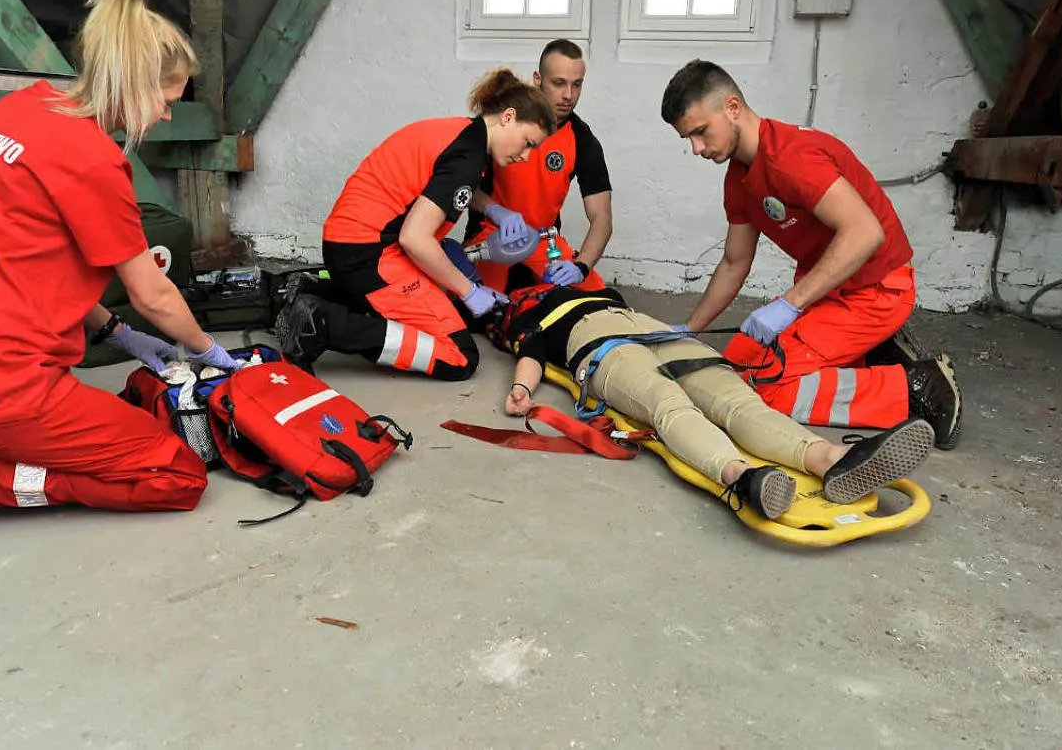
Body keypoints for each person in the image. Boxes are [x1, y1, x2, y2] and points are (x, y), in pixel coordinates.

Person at [0, 0, 240, 558]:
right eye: (164, 100)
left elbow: (26, 255)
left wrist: (115, 333)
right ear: (131, 85)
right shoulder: (90, 160)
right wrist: (207, 350)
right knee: (175, 474)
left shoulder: (8, 116)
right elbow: (153, 293)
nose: (164, 115)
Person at [659, 60, 963, 449]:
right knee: (740, 359)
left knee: (763, 386)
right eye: (689, 139)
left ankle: (913, 386)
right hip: (828, 293)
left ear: (732, 107)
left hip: (876, 292)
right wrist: (691, 328)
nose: (697, 149)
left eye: (700, 133)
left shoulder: (792, 158)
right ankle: (871, 356)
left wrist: (789, 304)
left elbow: (865, 232)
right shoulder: (738, 177)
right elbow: (735, 262)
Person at [488, 283, 936, 520]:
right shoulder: (532, 315)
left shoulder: (599, 291)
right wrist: (523, 390)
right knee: (669, 404)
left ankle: (833, 459)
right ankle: (742, 478)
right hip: (599, 345)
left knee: (737, 399)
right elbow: (532, 354)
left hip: (655, 330)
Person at [276, 68, 555, 380]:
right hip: (371, 254)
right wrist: (468, 291)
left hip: (348, 242)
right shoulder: (468, 157)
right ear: (507, 117)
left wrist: (493, 209)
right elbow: (415, 239)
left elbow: (442, 184)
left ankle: (319, 291)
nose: (526, 156)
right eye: (528, 142)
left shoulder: (461, 133)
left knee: (445, 296)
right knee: (459, 357)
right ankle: (325, 324)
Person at [464, 40, 612, 293]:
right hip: (492, 236)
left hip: (543, 240)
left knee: (595, 299)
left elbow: (602, 218)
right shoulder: (503, 123)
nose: (569, 95)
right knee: (481, 308)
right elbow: (461, 186)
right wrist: (496, 211)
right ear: (537, 79)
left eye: (576, 84)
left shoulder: (582, 140)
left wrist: (581, 267)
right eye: (558, 83)